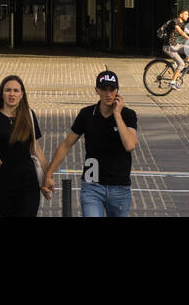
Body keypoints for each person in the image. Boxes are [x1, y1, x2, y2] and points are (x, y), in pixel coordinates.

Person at [42, 70, 139, 217]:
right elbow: (66, 144)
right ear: (97, 90)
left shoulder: (128, 114)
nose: (108, 94)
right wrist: (49, 173)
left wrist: (117, 115)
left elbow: (130, 145)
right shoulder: (87, 114)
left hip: (119, 186)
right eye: (104, 89)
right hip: (92, 184)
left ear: (117, 91)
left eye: (112, 89)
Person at [0, 75, 47, 217]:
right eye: (8, 90)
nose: (12, 94)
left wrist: (48, 175)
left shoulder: (29, 115)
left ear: (21, 94)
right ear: (2, 93)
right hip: (4, 184)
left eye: (15, 90)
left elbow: (36, 149)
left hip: (28, 183)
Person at [156, 9, 189, 86]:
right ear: (180, 15)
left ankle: (183, 69)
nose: (188, 16)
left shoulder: (181, 24)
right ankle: (172, 82)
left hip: (175, 45)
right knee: (181, 64)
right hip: (168, 47)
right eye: (186, 14)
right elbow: (181, 32)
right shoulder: (174, 22)